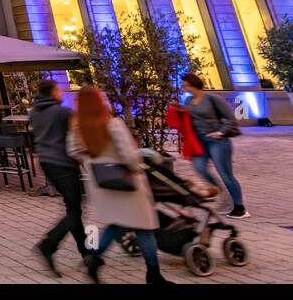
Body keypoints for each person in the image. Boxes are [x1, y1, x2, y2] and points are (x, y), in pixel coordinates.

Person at [67, 86, 171, 285]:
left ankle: (93, 258)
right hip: (126, 182)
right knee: (144, 227)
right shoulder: (113, 124)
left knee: (116, 223)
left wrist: (92, 161)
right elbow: (129, 156)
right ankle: (154, 274)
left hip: (102, 184)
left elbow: (72, 151)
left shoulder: (77, 129)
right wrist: (137, 168)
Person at [29, 79, 89, 275]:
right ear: (53, 92)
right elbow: (77, 136)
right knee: (74, 211)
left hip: (46, 163)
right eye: (59, 90)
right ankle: (48, 245)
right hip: (64, 163)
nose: (61, 93)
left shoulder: (34, 112)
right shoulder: (63, 112)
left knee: (73, 209)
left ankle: (86, 254)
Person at [179, 73, 247, 218]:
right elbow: (188, 119)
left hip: (217, 142)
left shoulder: (212, 98)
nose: (183, 87)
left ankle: (239, 207)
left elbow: (230, 119)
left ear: (192, 84)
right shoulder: (189, 101)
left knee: (225, 173)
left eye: (185, 84)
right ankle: (222, 193)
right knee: (199, 167)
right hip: (200, 141)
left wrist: (220, 133)